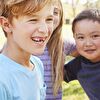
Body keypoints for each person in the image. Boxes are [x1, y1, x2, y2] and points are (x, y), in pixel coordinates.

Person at [0, 0, 54, 99]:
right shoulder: (2, 78)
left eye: (49, 19)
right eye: (33, 20)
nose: (44, 30)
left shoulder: (37, 64)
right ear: (6, 24)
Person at [37, 0, 77, 99]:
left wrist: (69, 71)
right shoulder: (25, 42)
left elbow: (86, 54)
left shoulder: (63, 43)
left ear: (61, 17)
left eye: (55, 12)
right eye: (46, 10)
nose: (50, 15)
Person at [64, 9, 100, 100]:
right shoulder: (78, 65)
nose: (88, 43)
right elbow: (57, 74)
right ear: (74, 39)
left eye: (95, 36)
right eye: (81, 37)